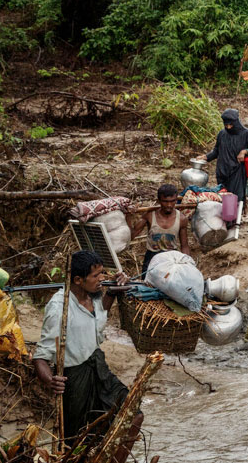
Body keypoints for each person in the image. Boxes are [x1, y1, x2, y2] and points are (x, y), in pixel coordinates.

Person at [33, 251, 138, 462]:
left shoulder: (95, 296)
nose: (102, 279)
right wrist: (50, 380)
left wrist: (113, 293)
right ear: (78, 280)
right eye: (95, 276)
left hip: (99, 368)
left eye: (102, 273)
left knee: (133, 416)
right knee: (76, 442)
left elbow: (98, 318)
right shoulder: (59, 308)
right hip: (76, 379)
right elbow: (40, 357)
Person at [195, 109, 248, 208]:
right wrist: (206, 157)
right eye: (226, 125)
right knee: (223, 197)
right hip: (222, 171)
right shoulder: (222, 134)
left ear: (236, 122)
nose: (228, 127)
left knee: (236, 197)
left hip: (237, 171)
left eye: (231, 125)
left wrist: (245, 152)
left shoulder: (246, 134)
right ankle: (226, 220)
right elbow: (216, 151)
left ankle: (236, 221)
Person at [129, 183, 189, 272]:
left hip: (171, 258)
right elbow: (132, 235)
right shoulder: (149, 215)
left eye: (172, 201)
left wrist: (187, 263)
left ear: (176, 200)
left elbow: (184, 246)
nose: (169, 205)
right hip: (152, 258)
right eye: (165, 201)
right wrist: (128, 216)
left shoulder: (181, 219)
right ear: (159, 201)